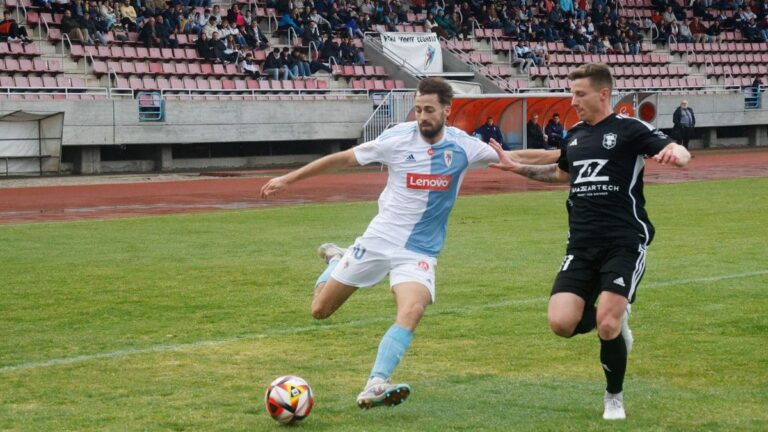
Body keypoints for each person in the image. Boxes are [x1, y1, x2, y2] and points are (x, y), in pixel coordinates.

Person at [260, 77, 501, 410]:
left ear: (448, 109)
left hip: (419, 251)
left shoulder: (464, 146)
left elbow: (512, 158)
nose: (422, 116)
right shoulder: (396, 139)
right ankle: (335, 261)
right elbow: (342, 159)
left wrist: (566, 161)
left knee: (413, 309)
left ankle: (376, 383)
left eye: (429, 110)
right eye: (418, 109)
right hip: (377, 241)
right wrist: (288, 179)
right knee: (320, 310)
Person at [486, 63, 690, 421]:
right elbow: (561, 173)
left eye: (579, 94)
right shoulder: (575, 134)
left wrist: (677, 154)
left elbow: (676, 148)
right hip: (580, 244)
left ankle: (614, 396)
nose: (573, 101)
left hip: (624, 240)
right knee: (561, 324)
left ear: (603, 93)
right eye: (572, 93)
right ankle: (614, 313)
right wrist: (515, 167)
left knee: (607, 326)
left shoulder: (629, 128)